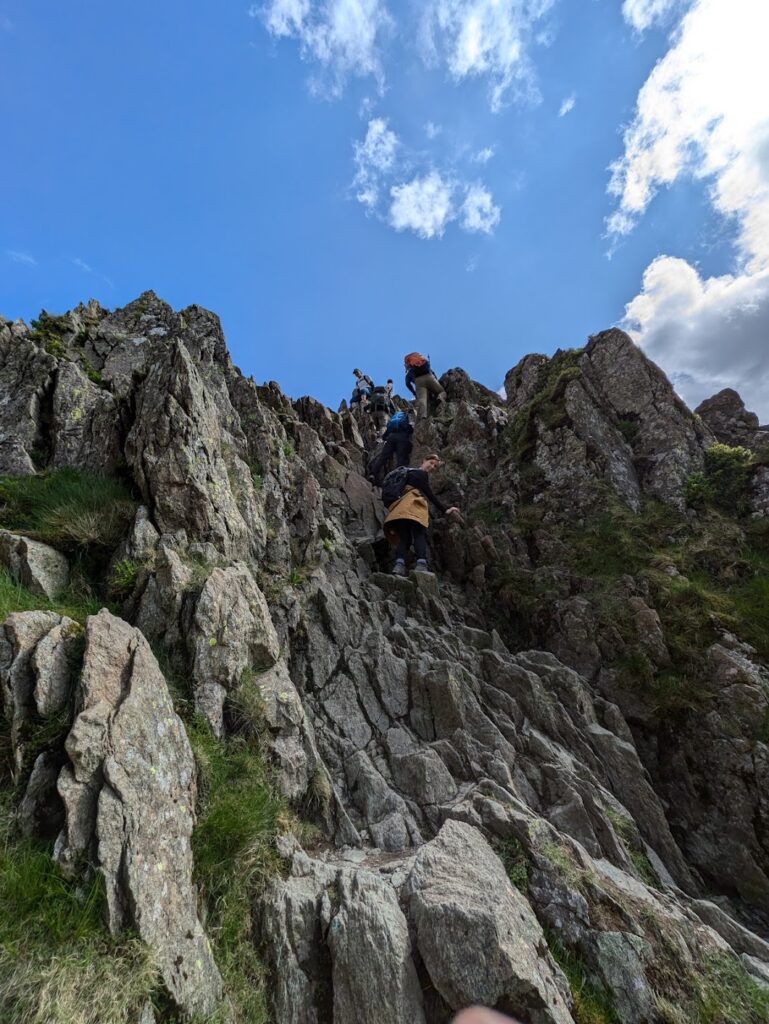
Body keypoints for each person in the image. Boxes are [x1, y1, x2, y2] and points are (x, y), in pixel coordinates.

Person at [383, 454, 461, 575]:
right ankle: (421, 564)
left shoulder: (409, 472)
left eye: (435, 466)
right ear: (423, 461)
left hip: (399, 508)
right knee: (419, 534)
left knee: (404, 538)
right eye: (431, 463)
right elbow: (430, 494)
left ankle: (399, 565)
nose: (432, 467)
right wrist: (445, 509)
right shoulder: (421, 474)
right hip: (413, 504)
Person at [367, 410, 414, 484]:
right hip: (403, 438)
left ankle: (372, 474)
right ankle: (397, 480)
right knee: (401, 459)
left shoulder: (393, 419)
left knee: (383, 457)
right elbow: (411, 428)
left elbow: (384, 436)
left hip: (391, 438)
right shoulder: (407, 416)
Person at [404, 353, 446, 420]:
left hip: (418, 382)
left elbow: (407, 384)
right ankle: (440, 398)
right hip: (429, 377)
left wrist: (413, 392)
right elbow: (433, 374)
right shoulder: (424, 364)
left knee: (422, 399)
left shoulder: (410, 372)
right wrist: (436, 381)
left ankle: (423, 415)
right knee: (441, 391)